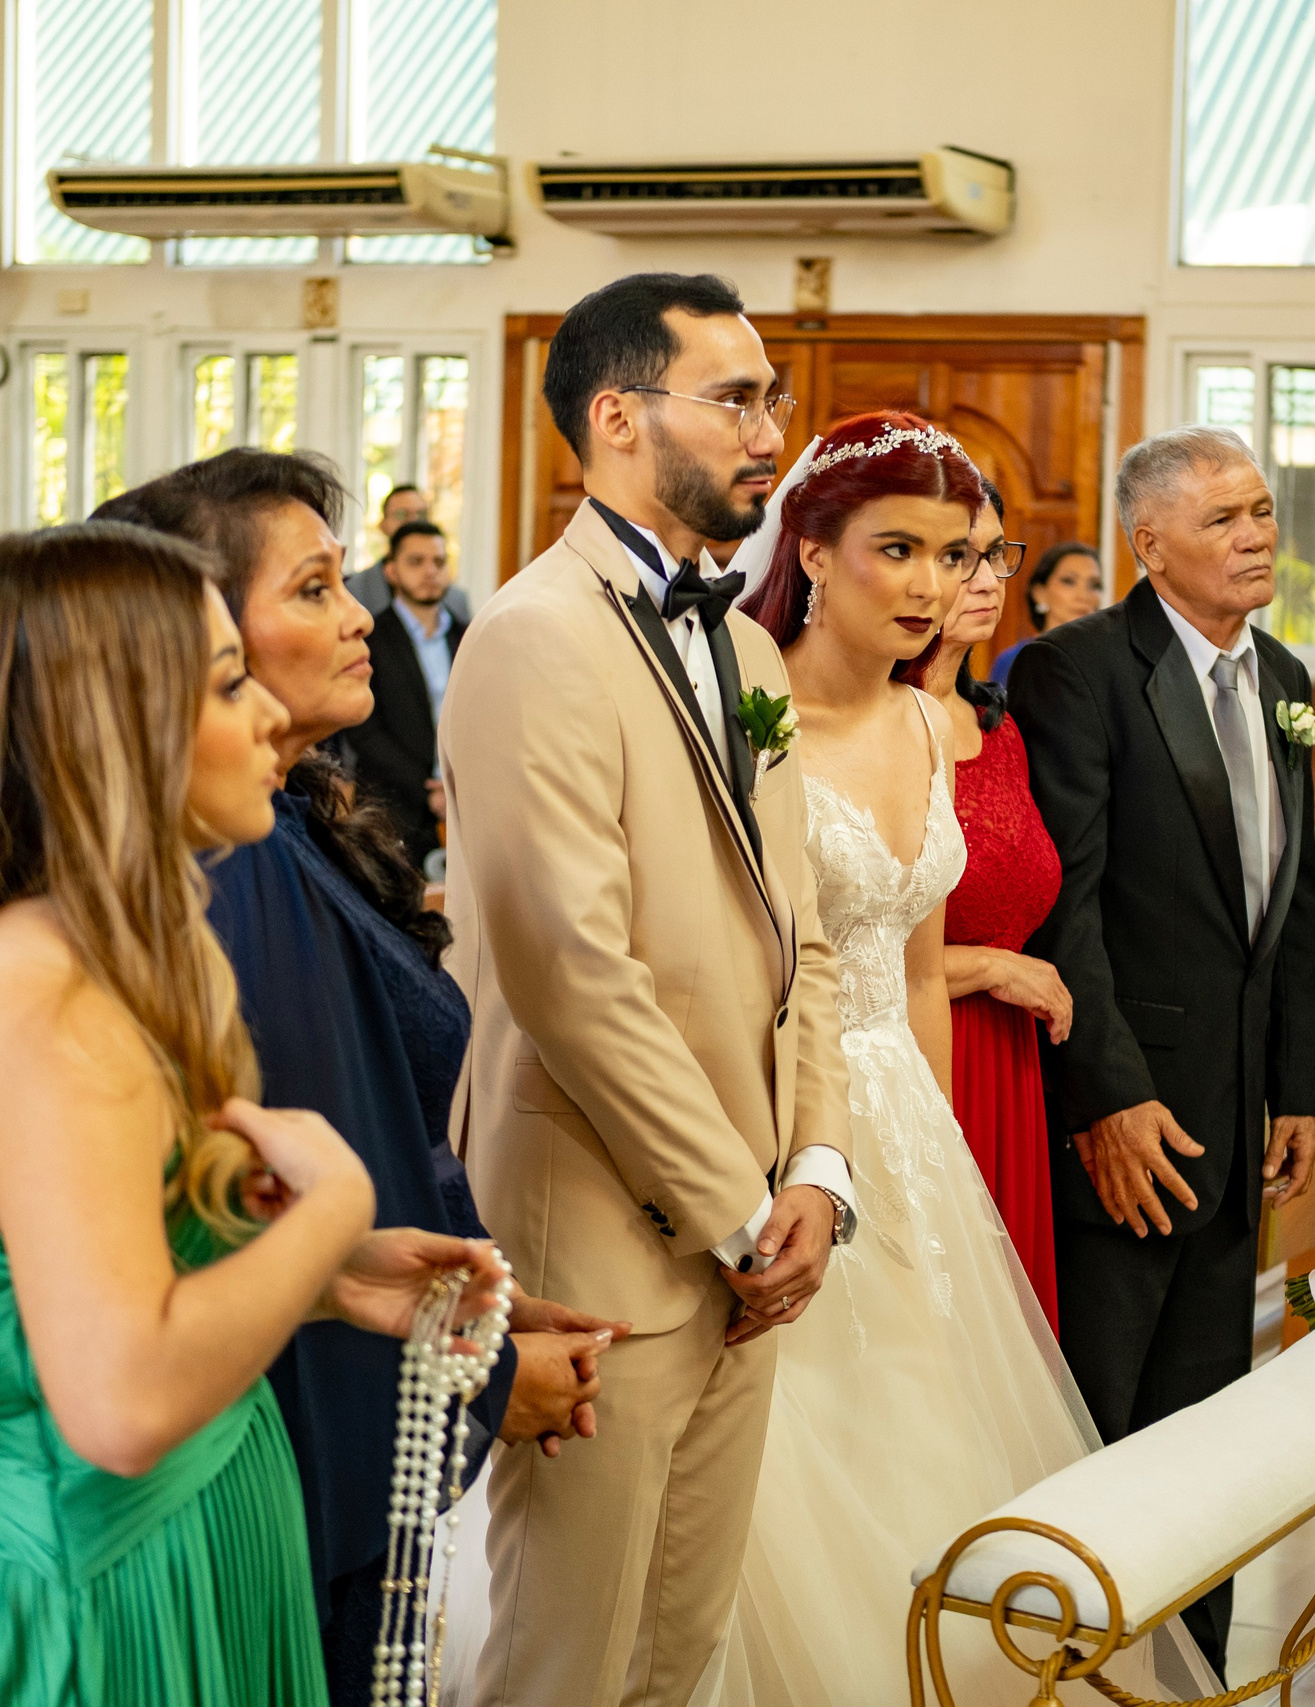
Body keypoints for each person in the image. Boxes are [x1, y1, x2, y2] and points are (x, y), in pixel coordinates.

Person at [0, 522, 507, 1706]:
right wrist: (330, 1202)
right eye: (229, 684)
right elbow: (121, 1404)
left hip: (175, 1539)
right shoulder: (51, 1012)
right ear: (115, 731)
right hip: (90, 1602)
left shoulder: (94, 957)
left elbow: (82, 1276)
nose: (271, 718)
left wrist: (325, 1266)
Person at [95, 451, 616, 1707]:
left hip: (363, 1330)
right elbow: (253, 1198)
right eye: (316, 588)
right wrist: (476, 1374)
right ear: (189, 637)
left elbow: (381, 1127)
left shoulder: (284, 828)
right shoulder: (228, 874)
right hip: (282, 1426)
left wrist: (473, 1312)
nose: (354, 615)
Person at [696, 411, 1198, 1707]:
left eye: (958, 552)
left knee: (930, 1424)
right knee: (792, 1460)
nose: (931, 583)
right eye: (900, 548)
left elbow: (919, 970)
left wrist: (948, 1171)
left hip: (911, 1121)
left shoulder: (931, 729)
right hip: (775, 1109)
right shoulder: (747, 725)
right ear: (810, 548)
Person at [443, 272, 853, 1707]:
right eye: (735, 396)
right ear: (618, 417)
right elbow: (572, 974)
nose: (770, 431)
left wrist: (815, 1166)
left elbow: (795, 927)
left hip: (747, 1235)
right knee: (568, 1662)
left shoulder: (746, 645)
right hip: (608, 1247)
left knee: (680, 1654)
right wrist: (738, 1211)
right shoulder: (532, 635)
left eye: (771, 397)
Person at [1013, 426, 1315, 1676]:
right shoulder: (1078, 672)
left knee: (1210, 1424)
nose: (1257, 537)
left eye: (1261, 512)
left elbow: (1288, 907)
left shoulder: (1286, 675)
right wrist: (1107, 1097)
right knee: (1103, 1417)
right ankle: (1075, 1670)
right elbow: (1066, 905)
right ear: (1149, 546)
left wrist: (1298, 1084)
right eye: (1224, 521)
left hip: (1241, 1103)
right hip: (1129, 1115)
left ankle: (1191, 1673)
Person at [911, 479, 1070, 1328]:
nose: (984, 578)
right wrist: (988, 965)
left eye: (994, 555)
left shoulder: (1000, 726)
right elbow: (820, 943)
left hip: (1008, 1066)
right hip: (917, 1057)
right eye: (955, 555)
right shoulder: (866, 722)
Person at [341, 518, 464, 872]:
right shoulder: (369, 639)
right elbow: (364, 730)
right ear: (391, 571)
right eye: (416, 561)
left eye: (439, 562)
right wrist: (430, 790)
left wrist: (453, 789)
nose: (430, 571)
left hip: (462, 801)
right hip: (393, 805)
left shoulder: (467, 634)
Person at [347, 482, 474, 629]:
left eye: (421, 514)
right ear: (383, 525)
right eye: (401, 514)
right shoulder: (354, 591)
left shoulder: (456, 600)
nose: (413, 521)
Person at [989, 540, 1104, 688]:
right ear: (1039, 593)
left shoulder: (1108, 662)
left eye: (1094, 585)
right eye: (1069, 581)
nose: (1083, 596)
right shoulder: (1013, 661)